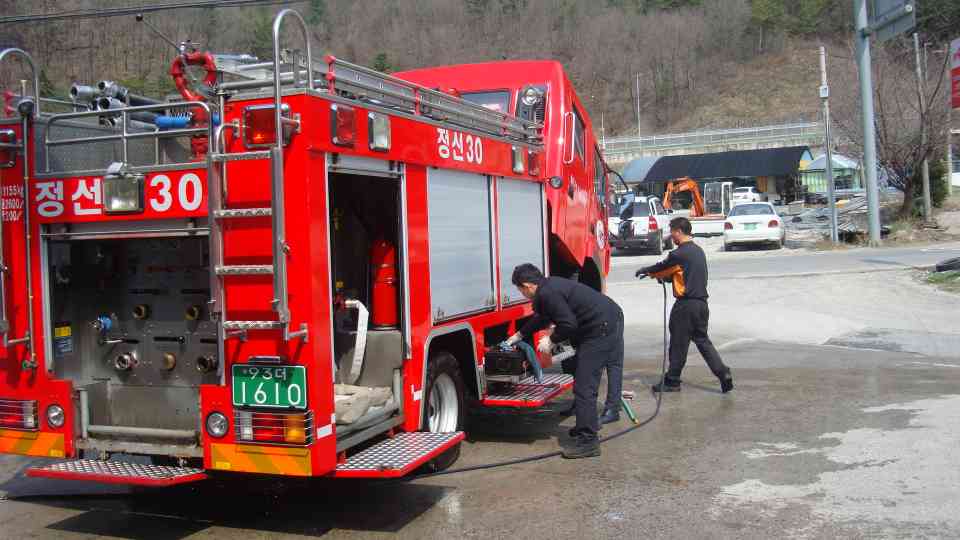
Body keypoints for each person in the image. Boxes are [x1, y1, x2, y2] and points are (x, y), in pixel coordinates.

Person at [504, 263, 624, 459]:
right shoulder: (548, 287)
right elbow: (543, 318)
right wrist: (519, 335)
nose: (522, 294)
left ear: (527, 286)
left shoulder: (547, 293)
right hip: (603, 318)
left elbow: (568, 324)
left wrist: (551, 340)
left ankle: (588, 441)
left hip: (600, 327)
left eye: (520, 290)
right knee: (581, 375)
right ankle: (585, 424)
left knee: (585, 385)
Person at [636, 217, 733, 394]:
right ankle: (723, 373)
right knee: (703, 341)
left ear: (679, 231)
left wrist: (646, 270)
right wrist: (666, 278)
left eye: (672, 232)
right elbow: (683, 273)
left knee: (678, 343)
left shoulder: (678, 253)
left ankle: (672, 381)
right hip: (702, 305)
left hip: (686, 306)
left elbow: (661, 266)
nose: (671, 236)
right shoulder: (698, 251)